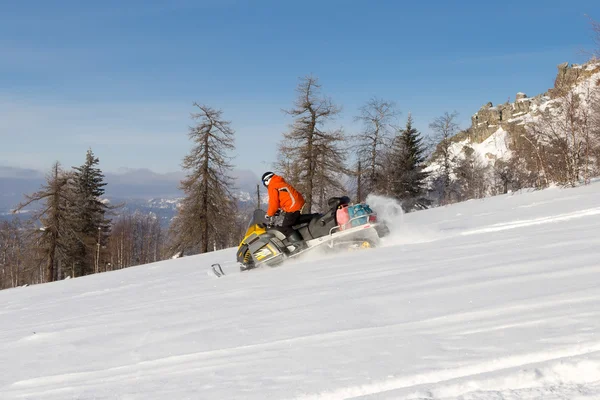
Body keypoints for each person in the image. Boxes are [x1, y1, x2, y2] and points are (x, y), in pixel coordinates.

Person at [262, 171, 305, 238]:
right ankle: (315, 217)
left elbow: (274, 203)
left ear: (267, 180)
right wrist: (278, 209)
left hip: (293, 206)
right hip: (297, 203)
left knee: (285, 227)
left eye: (263, 182)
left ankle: (300, 245)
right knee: (294, 221)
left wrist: (269, 214)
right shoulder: (279, 182)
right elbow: (283, 198)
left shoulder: (272, 185)